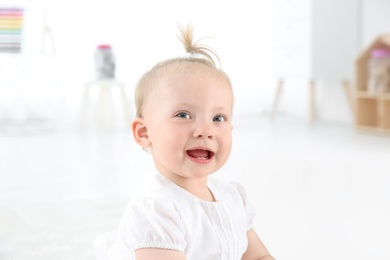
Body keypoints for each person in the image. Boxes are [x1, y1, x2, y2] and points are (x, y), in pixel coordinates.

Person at [109, 24, 275, 260]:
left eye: (218, 118)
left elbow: (258, 256)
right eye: (183, 115)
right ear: (144, 132)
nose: (205, 131)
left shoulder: (232, 197)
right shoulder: (156, 210)